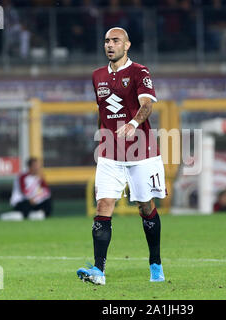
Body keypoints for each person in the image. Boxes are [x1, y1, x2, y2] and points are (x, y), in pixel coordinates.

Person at [76, 27, 167, 285]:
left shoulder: (140, 72)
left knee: (145, 206)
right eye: (106, 41)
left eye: (115, 40)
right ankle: (99, 271)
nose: (110, 45)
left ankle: (155, 264)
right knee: (103, 206)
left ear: (127, 45)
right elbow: (101, 111)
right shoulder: (97, 76)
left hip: (142, 151)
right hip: (109, 153)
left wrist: (134, 124)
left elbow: (147, 104)